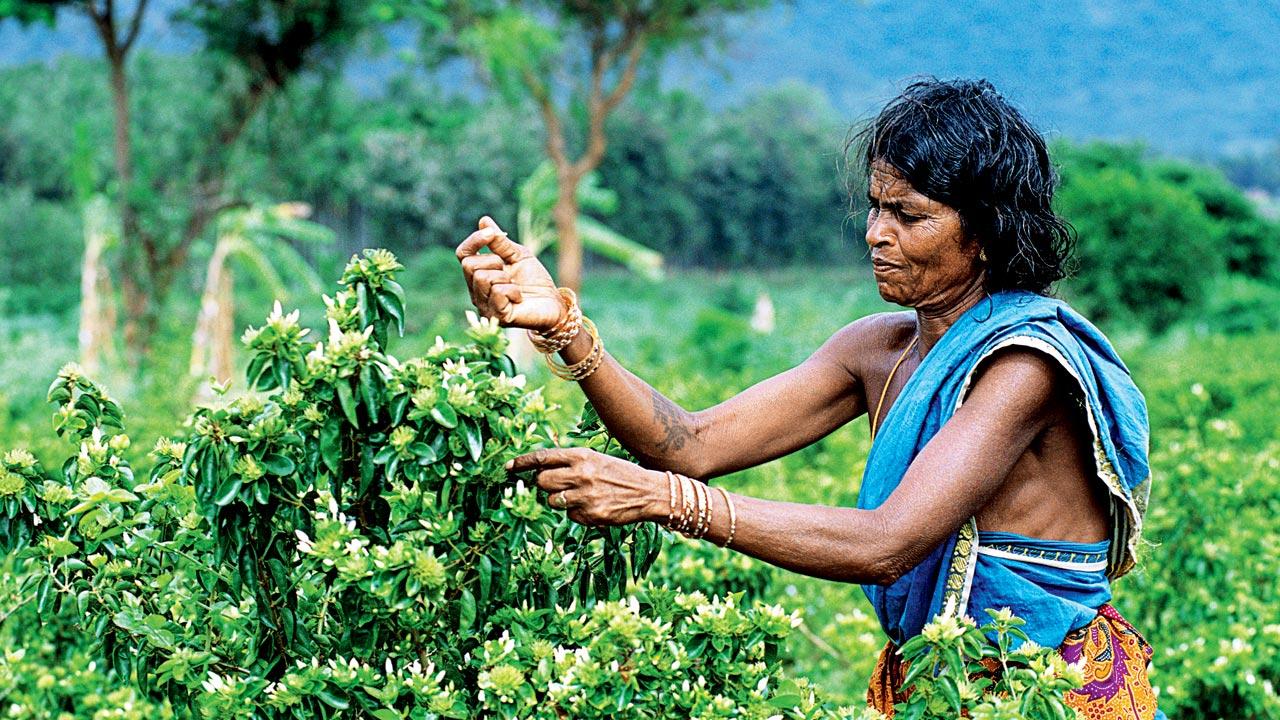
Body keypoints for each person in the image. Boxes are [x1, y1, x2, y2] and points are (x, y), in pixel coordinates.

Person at [455, 78, 1162, 719]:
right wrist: (567, 330)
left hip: (1043, 692)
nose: (876, 234)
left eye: (909, 216)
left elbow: (888, 544)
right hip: (934, 683)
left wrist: (663, 499)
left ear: (983, 234)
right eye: (877, 207)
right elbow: (691, 444)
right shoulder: (876, 349)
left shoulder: (1024, 366)